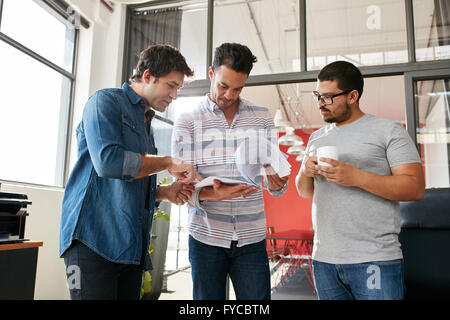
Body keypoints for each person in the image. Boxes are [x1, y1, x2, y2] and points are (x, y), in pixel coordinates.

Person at [59, 44, 199, 300]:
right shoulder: (104, 102)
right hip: (92, 242)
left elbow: (126, 186)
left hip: (130, 248)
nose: (175, 95)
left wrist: (166, 192)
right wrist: (168, 162)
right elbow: (109, 163)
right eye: (171, 85)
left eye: (178, 88)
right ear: (147, 76)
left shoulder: (147, 124)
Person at [295, 60, 425, 300]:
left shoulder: (389, 130)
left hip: (375, 258)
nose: (321, 104)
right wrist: (305, 172)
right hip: (324, 260)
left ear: (353, 95)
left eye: (328, 97)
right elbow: (305, 192)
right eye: (318, 96)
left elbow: (414, 188)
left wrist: (357, 177)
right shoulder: (316, 138)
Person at [172, 43, 289, 300]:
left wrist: (278, 183)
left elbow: (274, 183)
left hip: (252, 237)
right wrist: (211, 194)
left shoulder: (262, 117)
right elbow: (180, 187)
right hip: (206, 236)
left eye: (237, 88)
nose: (229, 94)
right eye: (224, 85)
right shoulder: (187, 120)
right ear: (211, 73)